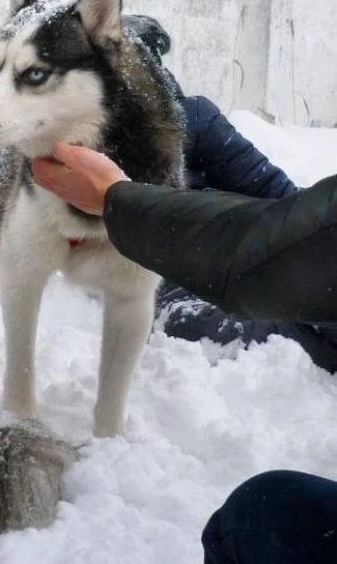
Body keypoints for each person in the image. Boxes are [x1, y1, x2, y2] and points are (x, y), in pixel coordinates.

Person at [32, 141, 337, 564]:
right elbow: (290, 227)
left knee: (252, 516)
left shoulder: (183, 124)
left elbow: (275, 241)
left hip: (197, 241)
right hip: (206, 238)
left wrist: (116, 200)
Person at [123, 14, 337, 373]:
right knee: (211, 328)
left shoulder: (193, 123)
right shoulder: (83, 153)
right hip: (181, 278)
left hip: (254, 249)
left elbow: (277, 193)